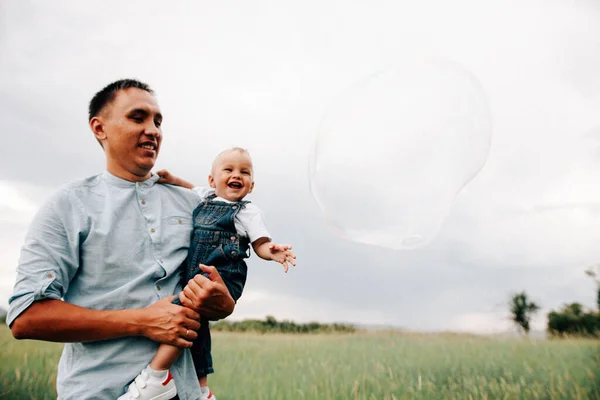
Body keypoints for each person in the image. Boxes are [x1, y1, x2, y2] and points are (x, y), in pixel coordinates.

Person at [7, 79, 236, 400]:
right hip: (96, 392)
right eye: (137, 117)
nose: (153, 130)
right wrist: (141, 322)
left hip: (185, 393)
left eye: (158, 121)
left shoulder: (192, 203)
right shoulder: (67, 205)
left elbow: (219, 282)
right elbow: (26, 317)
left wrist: (224, 303)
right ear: (99, 128)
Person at [119, 147, 297, 400]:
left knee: (181, 313)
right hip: (196, 272)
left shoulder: (248, 212)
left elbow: (260, 243)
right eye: (229, 170)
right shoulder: (206, 196)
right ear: (212, 181)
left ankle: (157, 376)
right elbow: (189, 187)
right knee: (197, 325)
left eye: (244, 172)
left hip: (223, 274)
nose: (237, 175)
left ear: (251, 185)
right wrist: (173, 180)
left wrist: (272, 250)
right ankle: (202, 389)